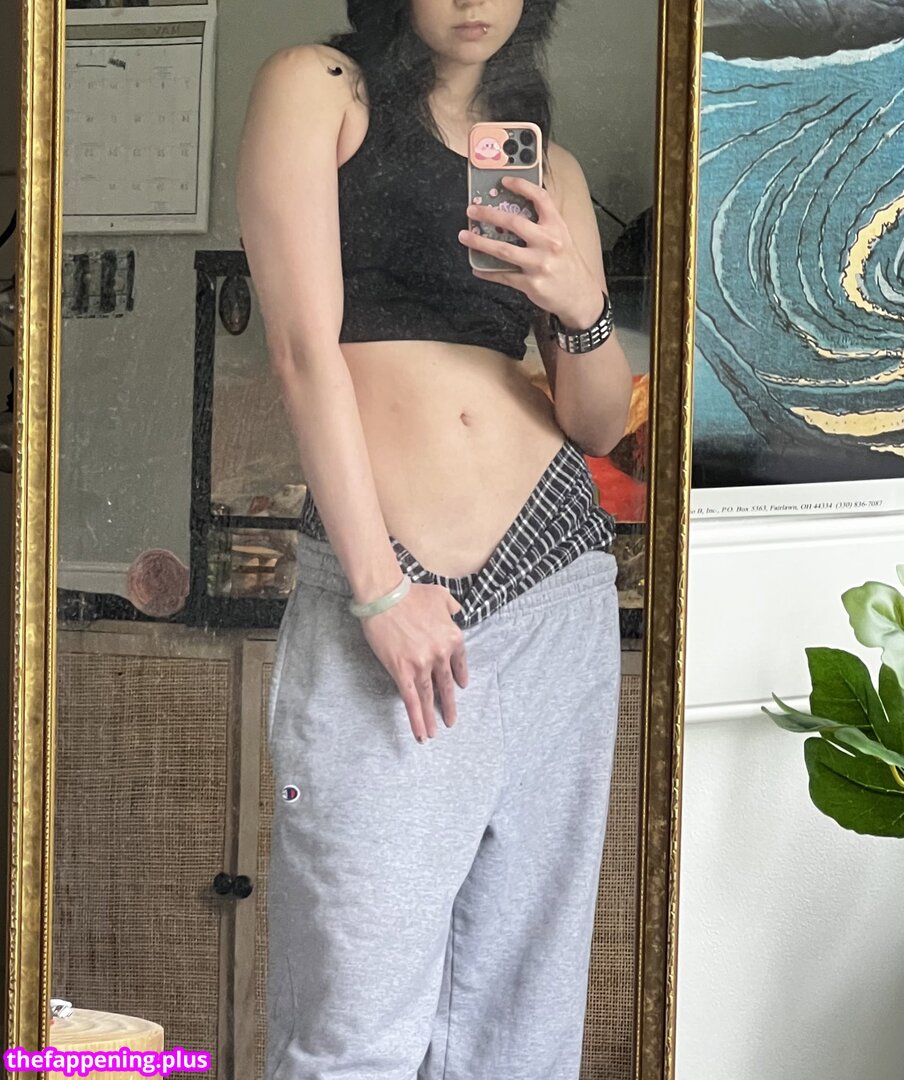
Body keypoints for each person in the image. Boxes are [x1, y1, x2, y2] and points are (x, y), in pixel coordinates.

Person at [236, 2, 634, 1077]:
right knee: (352, 1016)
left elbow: (597, 423)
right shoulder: (319, 88)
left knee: (520, 1016)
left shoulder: (550, 169)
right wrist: (378, 588)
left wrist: (579, 302)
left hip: (555, 579)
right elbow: (300, 351)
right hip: (393, 579)